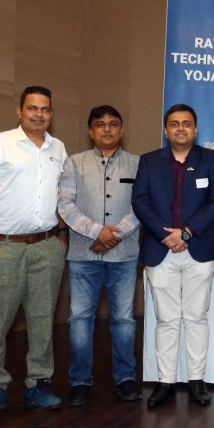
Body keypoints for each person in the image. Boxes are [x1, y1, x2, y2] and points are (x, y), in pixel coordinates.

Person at [0, 86, 69, 418]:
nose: (39, 114)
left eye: (45, 109)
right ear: (20, 111)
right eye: (32, 108)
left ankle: (39, 383)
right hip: (4, 246)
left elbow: (61, 195)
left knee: (43, 319)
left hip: (47, 246)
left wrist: (61, 236)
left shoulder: (58, 148)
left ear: (51, 113)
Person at [132, 104, 214, 408]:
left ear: (195, 129)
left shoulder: (211, 160)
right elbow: (140, 202)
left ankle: (196, 380)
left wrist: (186, 232)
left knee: (197, 317)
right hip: (160, 250)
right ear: (166, 130)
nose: (181, 128)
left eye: (186, 123)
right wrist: (166, 236)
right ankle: (166, 381)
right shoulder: (149, 161)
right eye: (174, 123)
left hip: (198, 248)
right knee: (166, 320)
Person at [57, 105, 142, 406]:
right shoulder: (73, 163)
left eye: (113, 124)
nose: (107, 129)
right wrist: (97, 232)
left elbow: (142, 205)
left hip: (124, 254)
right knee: (80, 320)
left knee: (123, 320)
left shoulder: (138, 164)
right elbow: (65, 205)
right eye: (100, 124)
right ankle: (80, 381)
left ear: (121, 129)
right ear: (91, 131)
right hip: (83, 255)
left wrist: (114, 234)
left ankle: (125, 378)